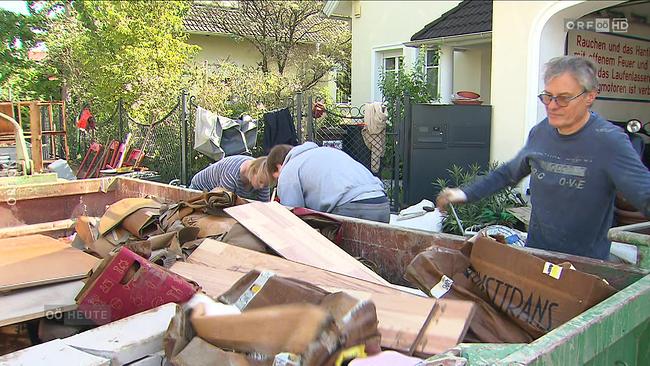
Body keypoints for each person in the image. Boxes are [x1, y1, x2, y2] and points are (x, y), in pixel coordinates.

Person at [436, 55, 650, 261]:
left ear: (589, 96)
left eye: (564, 98)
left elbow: (644, 193)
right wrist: (464, 193)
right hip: (538, 257)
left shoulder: (609, 141)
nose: (552, 105)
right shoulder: (540, 133)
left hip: (585, 266)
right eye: (547, 96)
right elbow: (508, 174)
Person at [267, 142, 390, 223]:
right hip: (381, 202)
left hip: (352, 207)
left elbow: (292, 217)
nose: (279, 182)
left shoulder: (289, 169)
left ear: (278, 167)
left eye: (277, 179)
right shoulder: (324, 152)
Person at [189, 155, 270, 201]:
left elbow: (264, 207)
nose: (262, 187)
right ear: (253, 171)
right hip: (200, 189)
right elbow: (222, 203)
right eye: (260, 182)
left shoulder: (264, 175)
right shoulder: (230, 174)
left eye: (265, 184)